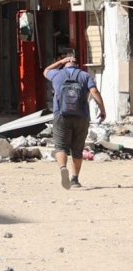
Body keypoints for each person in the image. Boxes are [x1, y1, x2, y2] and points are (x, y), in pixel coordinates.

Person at [43, 50, 104, 189]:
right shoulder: (85, 75)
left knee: (60, 146)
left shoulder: (57, 75)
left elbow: (46, 70)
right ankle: (75, 180)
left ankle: (63, 168)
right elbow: (94, 92)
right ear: (77, 65)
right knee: (77, 148)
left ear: (65, 64)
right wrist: (102, 110)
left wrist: (60, 62)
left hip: (61, 116)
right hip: (81, 117)